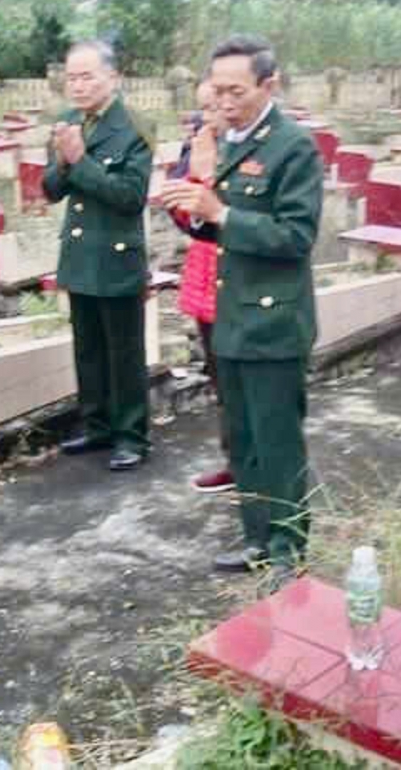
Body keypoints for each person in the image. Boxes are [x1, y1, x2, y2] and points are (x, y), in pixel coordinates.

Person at [160, 35, 323, 589]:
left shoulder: (293, 147)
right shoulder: (225, 142)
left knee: (277, 439)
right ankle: (257, 537)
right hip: (229, 316)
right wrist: (192, 213)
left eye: (237, 91)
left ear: (268, 86)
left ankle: (289, 549)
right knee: (245, 438)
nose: (225, 101)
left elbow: (296, 235)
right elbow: (213, 227)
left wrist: (221, 214)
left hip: (273, 321)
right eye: (217, 90)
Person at [43, 40, 153, 472]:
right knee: (88, 350)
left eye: (88, 76)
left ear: (113, 78)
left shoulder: (133, 127)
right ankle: (98, 425)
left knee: (123, 353)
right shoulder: (69, 122)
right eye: (71, 77)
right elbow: (50, 190)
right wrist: (64, 163)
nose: (78, 85)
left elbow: (130, 196)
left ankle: (132, 436)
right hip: (80, 254)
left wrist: (79, 160)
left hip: (116, 256)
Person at [171, 80, 234, 493]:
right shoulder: (195, 144)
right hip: (205, 262)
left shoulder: (248, 149)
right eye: (203, 109)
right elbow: (180, 207)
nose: (208, 117)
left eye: (214, 107)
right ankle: (234, 458)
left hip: (241, 267)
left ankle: (260, 464)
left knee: (245, 372)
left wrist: (208, 178)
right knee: (218, 368)